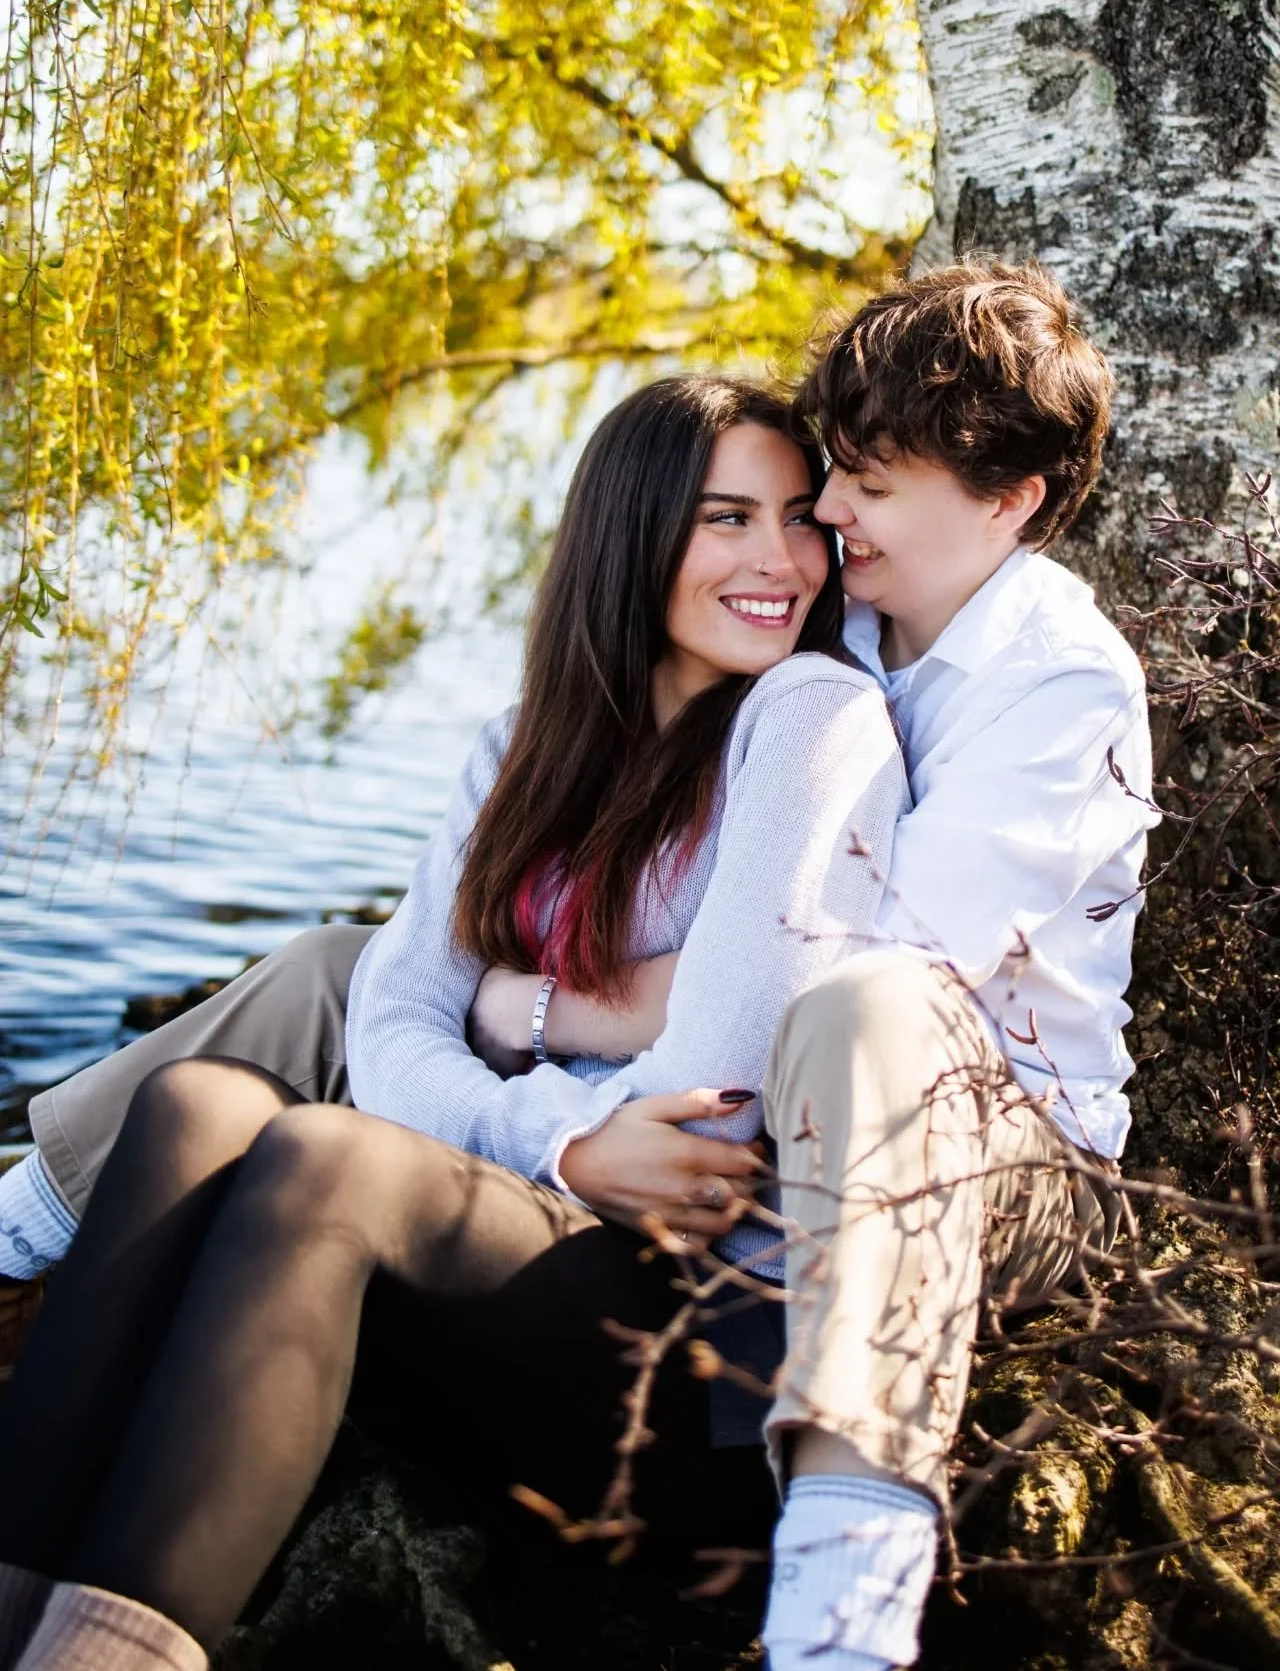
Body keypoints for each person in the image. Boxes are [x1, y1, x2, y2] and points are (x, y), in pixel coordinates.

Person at [1, 256, 1157, 1671]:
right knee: (214, 1095)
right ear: (632, 534)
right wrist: (561, 1123)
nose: (799, 549)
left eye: (815, 509)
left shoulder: (858, 699)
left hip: (790, 1271)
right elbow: (401, 1015)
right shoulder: (547, 734)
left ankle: (842, 1567)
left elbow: (760, 1057)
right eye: (739, 516)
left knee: (330, 1157)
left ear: (1004, 499)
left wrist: (527, 1042)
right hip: (582, 1226)